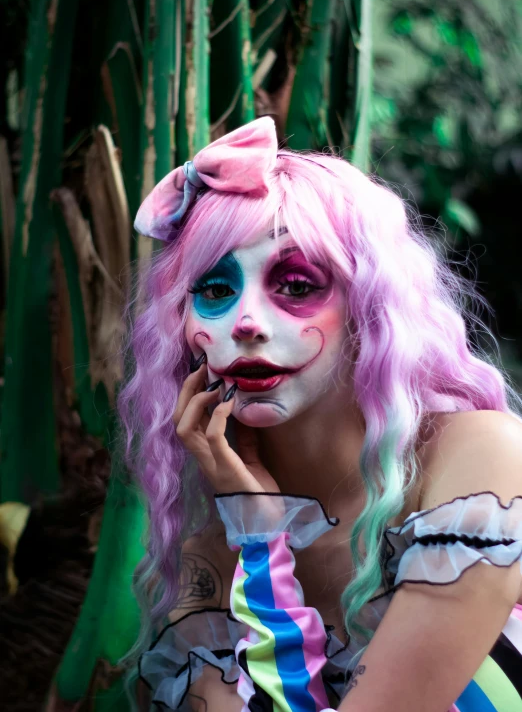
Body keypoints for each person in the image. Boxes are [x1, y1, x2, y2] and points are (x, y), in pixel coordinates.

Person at [120, 116, 522, 711]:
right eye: (213, 289)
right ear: (181, 325)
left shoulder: (479, 462)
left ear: (371, 308)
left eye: (297, 283)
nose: (246, 322)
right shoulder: (212, 558)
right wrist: (259, 537)